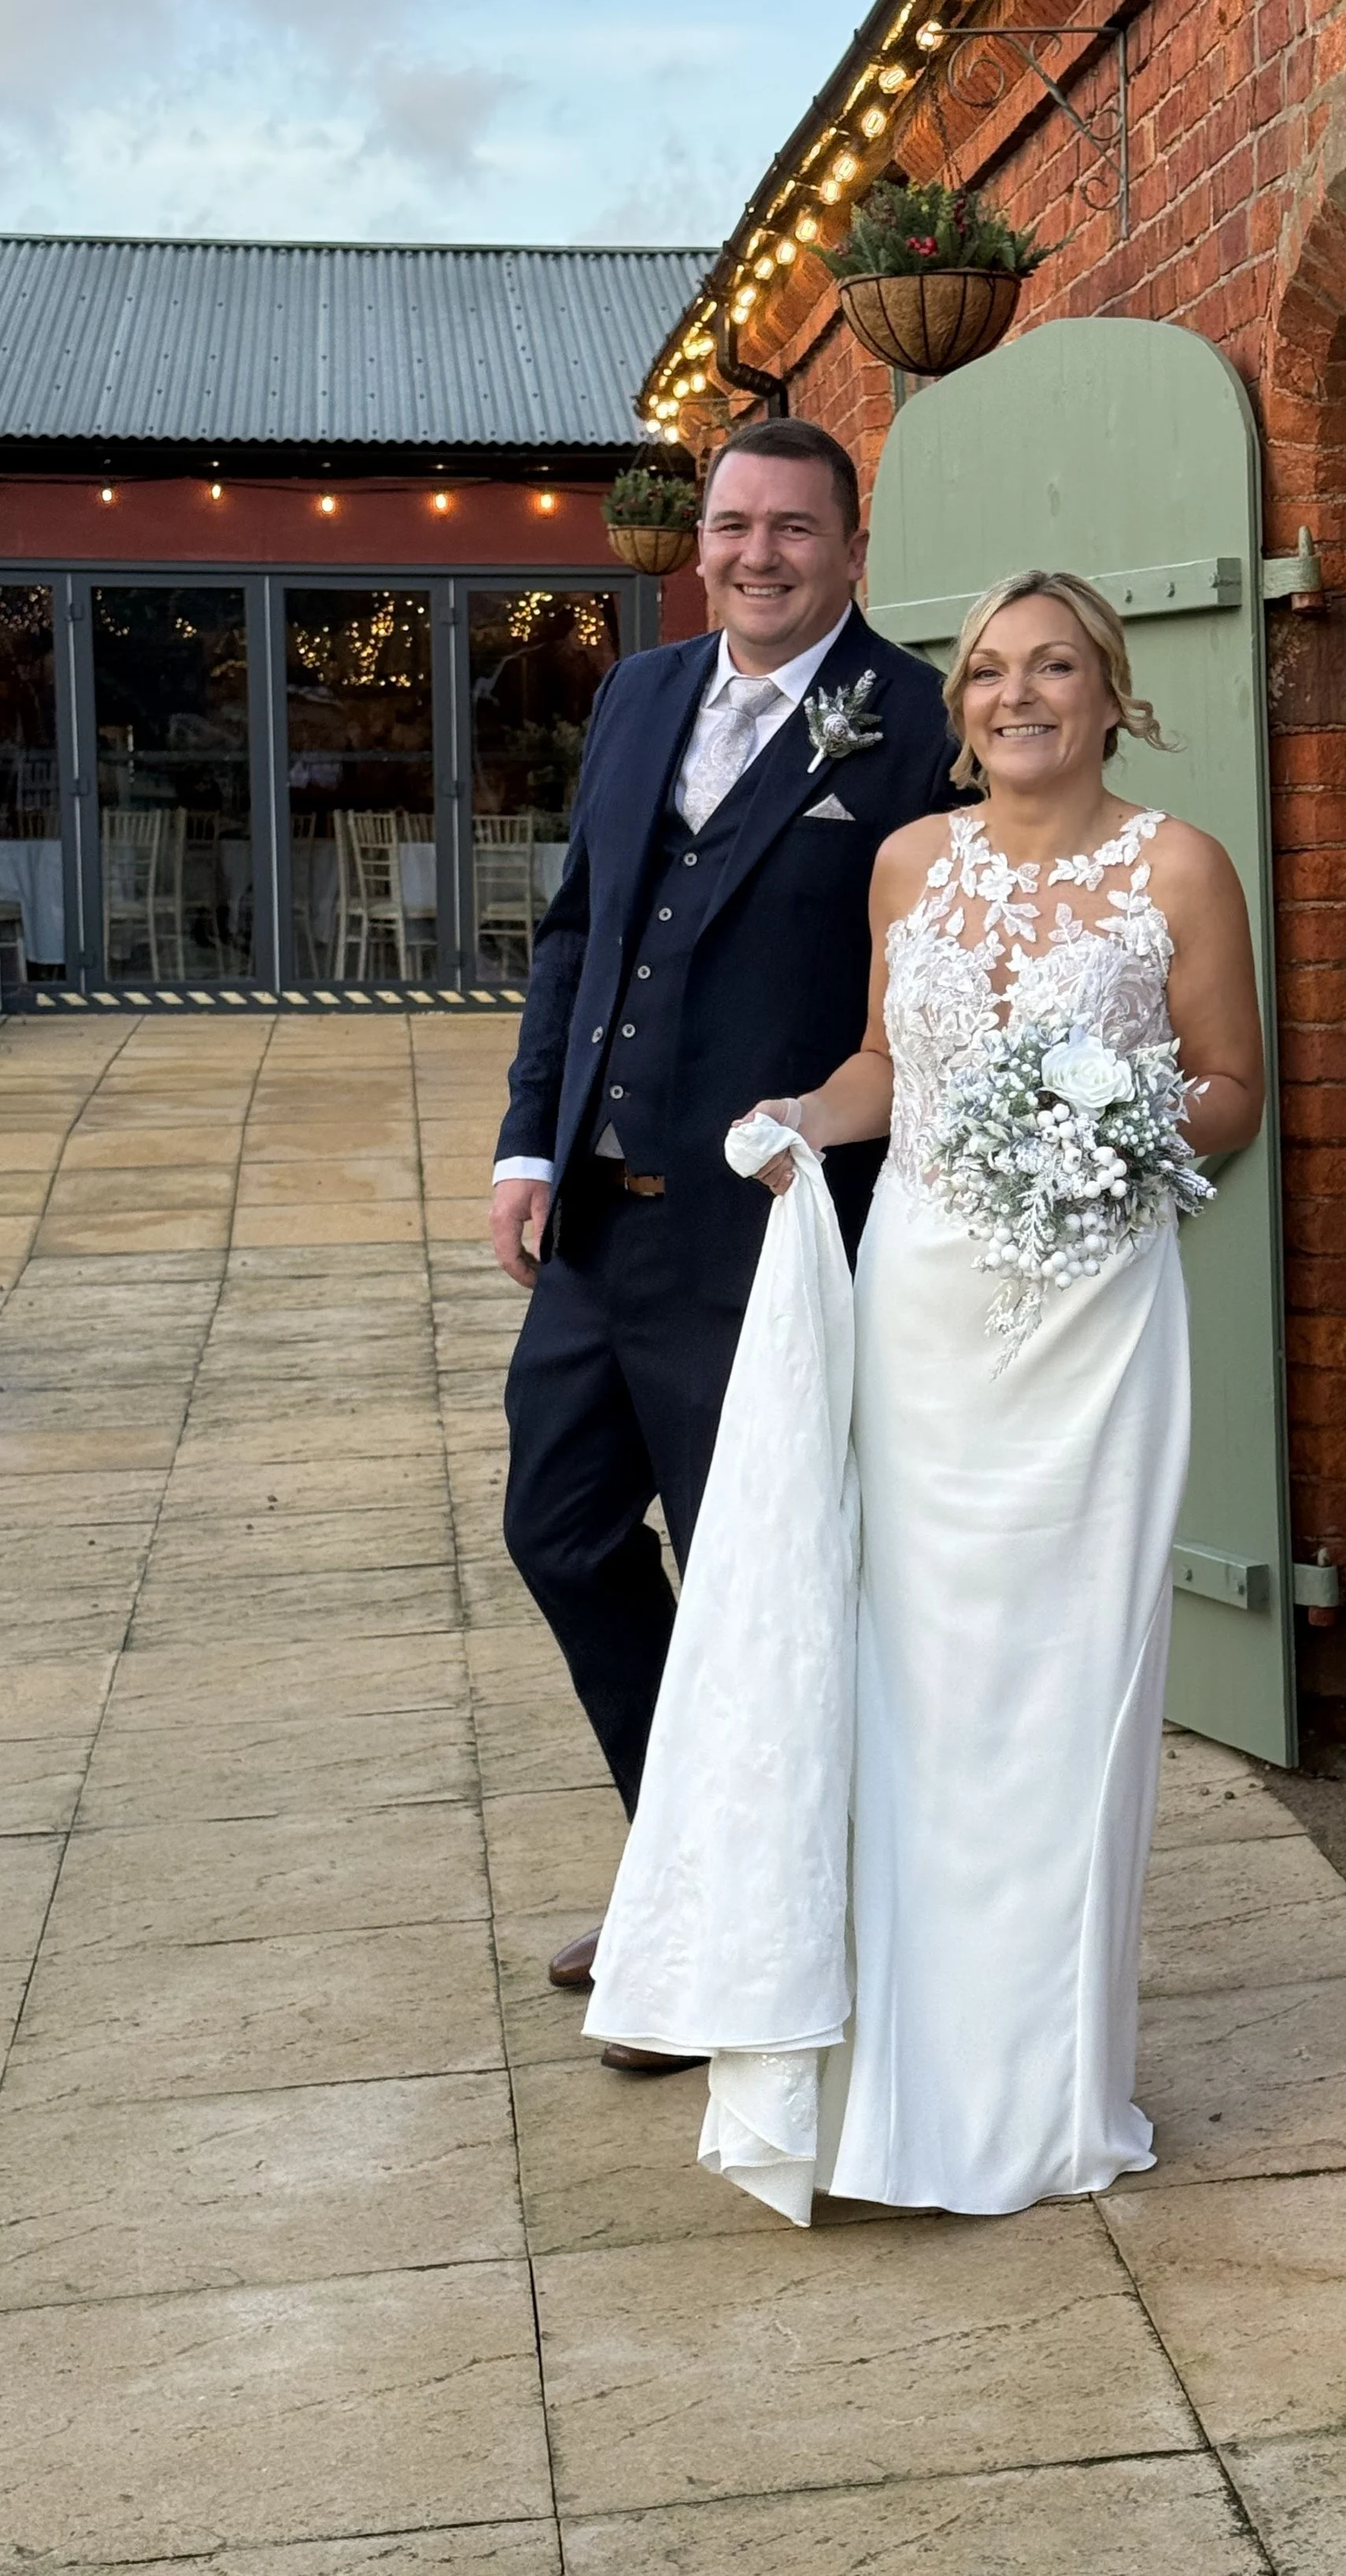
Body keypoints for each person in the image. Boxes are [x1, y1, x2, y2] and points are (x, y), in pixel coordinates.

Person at [604, 566, 1266, 2215]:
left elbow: (1232, 1086)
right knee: (906, 1687)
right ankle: (894, 2076)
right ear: (959, 705)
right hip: (920, 1313)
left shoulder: (1176, 864)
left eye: (1051, 668)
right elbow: (887, 1067)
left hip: (1092, 1324)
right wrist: (800, 1122)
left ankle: (1043, 2090)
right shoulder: (909, 861)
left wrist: (1123, 1140)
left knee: (1062, 1695)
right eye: (984, 672)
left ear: (1112, 693)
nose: (1012, 695)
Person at [491, 418, 957, 2067]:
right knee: (556, 1531)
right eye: (732, 523)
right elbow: (575, 942)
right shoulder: (635, 696)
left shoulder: (915, 726)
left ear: (849, 545)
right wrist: (525, 1142)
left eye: (792, 529)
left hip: (767, 1239)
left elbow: (942, 992)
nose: (755, 553)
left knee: (760, 1584)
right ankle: (684, 1861)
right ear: (700, 536)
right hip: (596, 1234)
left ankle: (727, 1942)